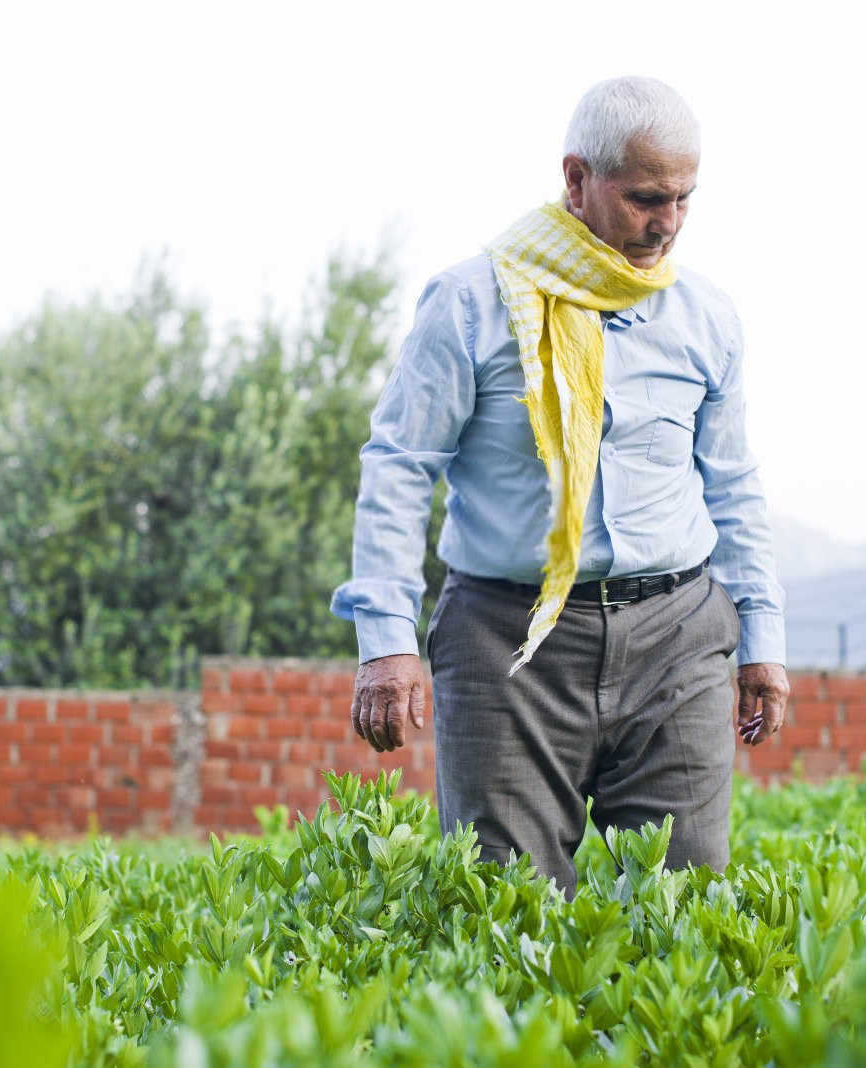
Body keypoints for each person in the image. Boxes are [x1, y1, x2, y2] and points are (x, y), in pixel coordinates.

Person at [329, 75, 788, 895]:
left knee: (677, 910)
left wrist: (763, 637)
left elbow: (734, 485)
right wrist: (387, 641)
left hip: (676, 635)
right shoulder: (470, 303)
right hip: (507, 638)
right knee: (507, 913)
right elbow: (400, 466)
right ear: (576, 179)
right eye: (647, 197)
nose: (668, 223)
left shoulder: (705, 317)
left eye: (685, 199)